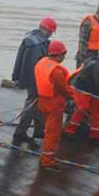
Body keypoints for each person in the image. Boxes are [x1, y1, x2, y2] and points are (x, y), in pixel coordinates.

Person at [11, 17, 57, 148]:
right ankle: (20, 132)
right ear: (46, 30)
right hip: (34, 79)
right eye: (51, 32)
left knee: (38, 103)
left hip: (30, 77)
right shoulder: (36, 44)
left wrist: (17, 77)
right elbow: (34, 65)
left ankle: (39, 130)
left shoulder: (32, 38)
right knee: (32, 104)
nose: (51, 35)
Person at [34, 40, 74, 171]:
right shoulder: (56, 71)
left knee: (48, 131)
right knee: (53, 134)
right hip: (54, 104)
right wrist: (74, 93)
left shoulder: (42, 63)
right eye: (63, 54)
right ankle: (48, 161)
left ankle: (46, 156)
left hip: (43, 101)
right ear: (60, 54)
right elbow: (64, 89)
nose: (64, 57)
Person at [64, 55, 99, 142]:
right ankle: (69, 130)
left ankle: (95, 135)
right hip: (82, 87)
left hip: (95, 90)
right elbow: (98, 81)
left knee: (98, 110)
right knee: (82, 107)